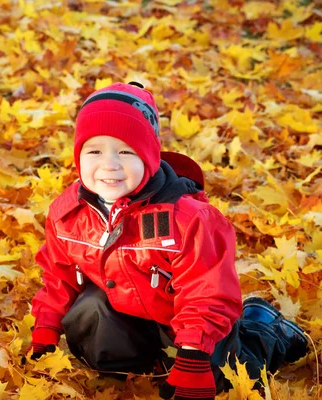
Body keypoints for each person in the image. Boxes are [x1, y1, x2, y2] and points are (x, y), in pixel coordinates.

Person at [27, 82, 309, 399]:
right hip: (127, 312)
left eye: (125, 151)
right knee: (89, 311)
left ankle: (264, 327)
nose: (109, 164)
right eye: (94, 151)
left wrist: (193, 357)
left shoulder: (187, 219)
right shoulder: (69, 213)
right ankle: (143, 361)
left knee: (225, 376)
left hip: (187, 317)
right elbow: (59, 274)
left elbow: (206, 292)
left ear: (148, 155)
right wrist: (47, 325)